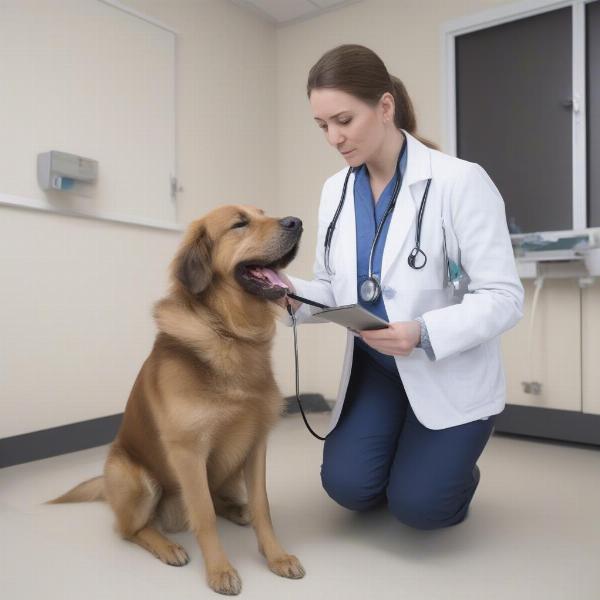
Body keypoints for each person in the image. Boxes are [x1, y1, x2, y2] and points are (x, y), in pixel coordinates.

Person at [274, 44, 524, 530]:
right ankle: (408, 449)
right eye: (323, 126)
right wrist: (287, 291)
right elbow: (331, 286)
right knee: (349, 489)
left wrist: (422, 332)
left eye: (344, 120)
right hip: (377, 368)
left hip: (446, 365)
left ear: (385, 107)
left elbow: (503, 296)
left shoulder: (460, 182)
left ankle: (449, 469)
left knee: (421, 507)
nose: (334, 137)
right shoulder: (337, 189)